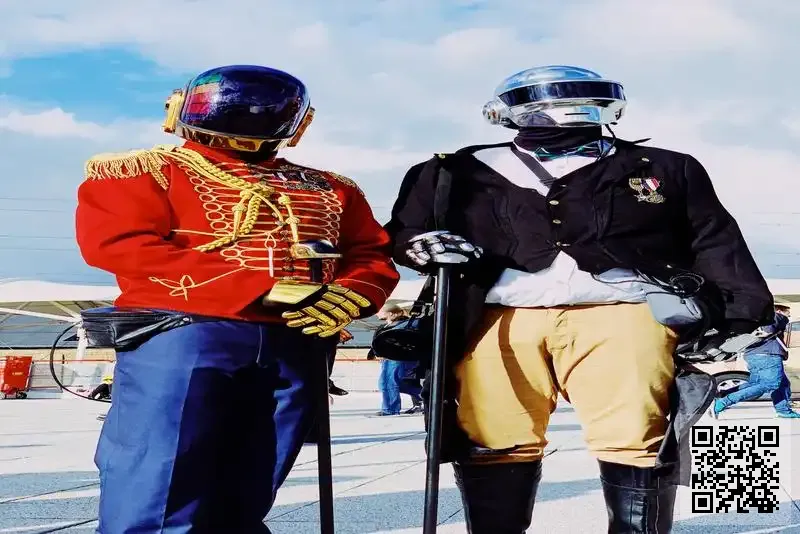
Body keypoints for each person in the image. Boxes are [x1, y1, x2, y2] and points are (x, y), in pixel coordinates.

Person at [384, 65, 776, 533]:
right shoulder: (452, 170)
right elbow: (403, 232)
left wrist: (745, 318)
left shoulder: (666, 167)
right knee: (495, 439)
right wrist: (421, 246)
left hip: (624, 311)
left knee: (637, 438)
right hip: (496, 315)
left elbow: (713, 239)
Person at [75, 65, 399, 533]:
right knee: (160, 476)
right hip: (187, 331)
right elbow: (121, 246)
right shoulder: (144, 171)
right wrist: (260, 287)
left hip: (299, 337)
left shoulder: (333, 187)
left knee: (255, 475)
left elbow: (370, 254)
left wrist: (353, 294)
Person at [711, 305, 799, 418]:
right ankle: (723, 402)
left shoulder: (755, 319)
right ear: (779, 310)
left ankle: (783, 410)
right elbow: (768, 330)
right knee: (771, 384)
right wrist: (783, 318)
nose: (788, 316)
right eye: (787, 313)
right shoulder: (775, 316)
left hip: (754, 355)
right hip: (768, 355)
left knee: (780, 384)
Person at [373, 304, 424, 416]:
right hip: (387, 358)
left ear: (391, 313)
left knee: (392, 383)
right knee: (385, 384)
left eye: (381, 310)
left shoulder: (407, 323)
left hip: (398, 358)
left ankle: (390, 409)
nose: (377, 313)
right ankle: (425, 395)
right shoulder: (385, 326)